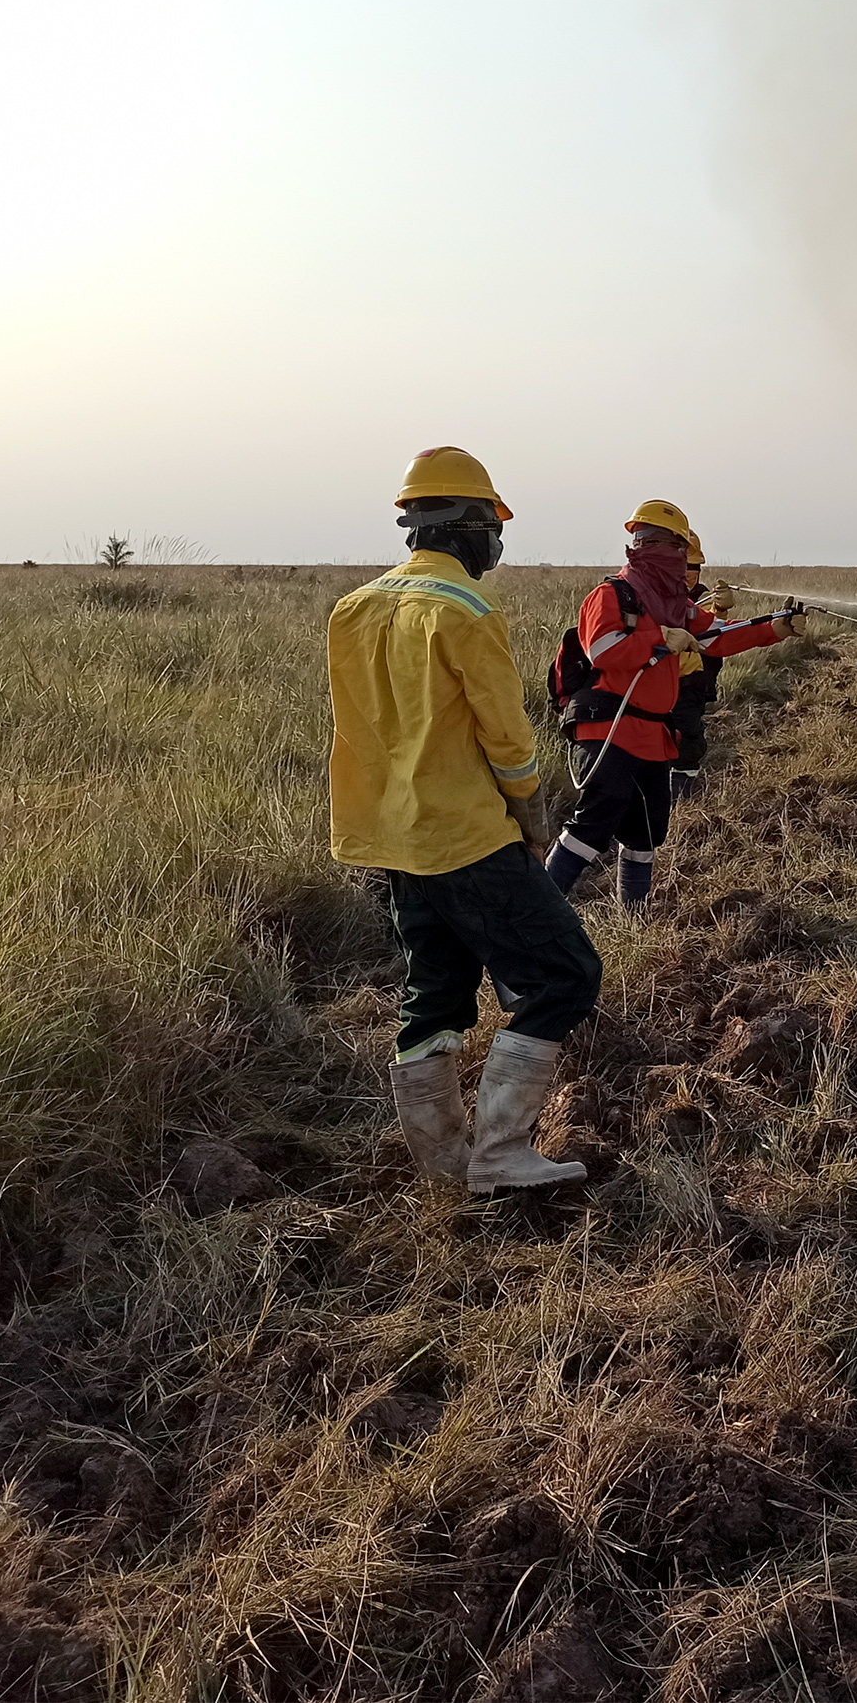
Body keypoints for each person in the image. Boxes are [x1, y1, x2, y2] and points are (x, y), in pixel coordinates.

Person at [327, 446, 600, 1195]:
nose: (496, 545)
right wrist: (533, 815)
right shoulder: (467, 611)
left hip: (395, 840)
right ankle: (503, 1152)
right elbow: (508, 741)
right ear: (470, 526)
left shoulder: (353, 610)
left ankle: (448, 1172)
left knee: (435, 994)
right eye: (493, 528)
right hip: (469, 836)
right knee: (567, 974)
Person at [544, 500, 702, 910]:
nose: (660, 549)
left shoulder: (675, 606)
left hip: (653, 735)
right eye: (646, 539)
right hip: (607, 727)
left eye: (668, 543)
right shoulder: (612, 594)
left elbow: (717, 634)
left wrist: (774, 628)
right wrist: (660, 639)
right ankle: (537, 914)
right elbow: (602, 650)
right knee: (595, 821)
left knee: (647, 831)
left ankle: (633, 916)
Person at [668, 530, 803, 800]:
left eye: (694, 567)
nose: (689, 572)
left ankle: (675, 805)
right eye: (683, 565)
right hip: (632, 705)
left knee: (688, 744)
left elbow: (718, 637)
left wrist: (776, 628)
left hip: (687, 688)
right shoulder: (625, 598)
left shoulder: (687, 605)